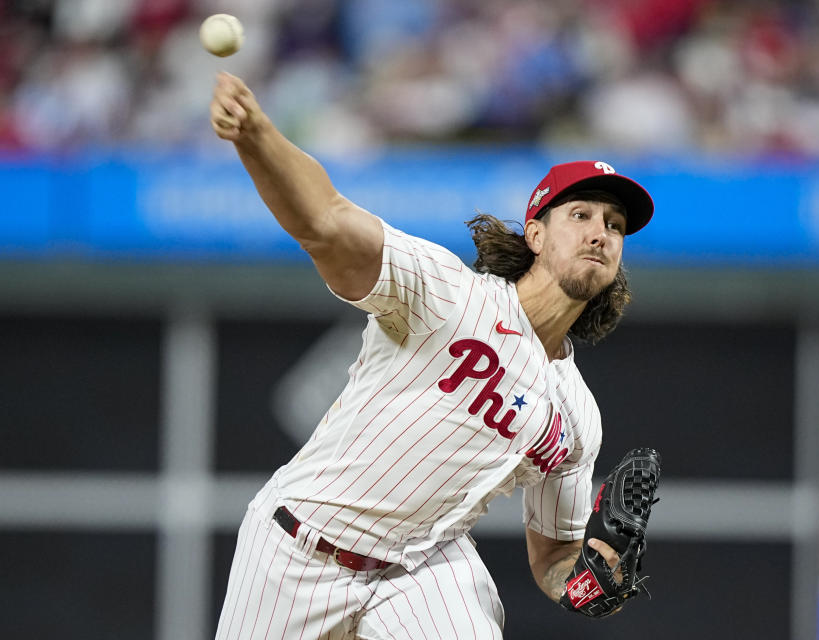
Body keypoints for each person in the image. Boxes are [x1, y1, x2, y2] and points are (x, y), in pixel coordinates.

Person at [210, 71, 655, 639]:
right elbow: (325, 222)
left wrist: (594, 578)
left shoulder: (577, 416)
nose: (601, 233)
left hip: (420, 569)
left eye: (615, 226)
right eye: (582, 215)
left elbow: (555, 558)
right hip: (297, 544)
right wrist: (256, 137)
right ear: (536, 236)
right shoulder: (449, 294)